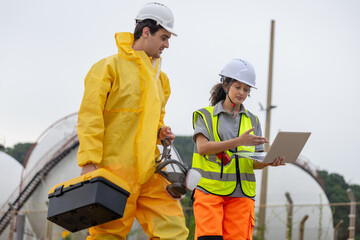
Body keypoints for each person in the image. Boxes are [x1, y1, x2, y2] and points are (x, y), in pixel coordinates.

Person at [76, 2, 189, 239]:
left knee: (173, 230)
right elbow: (90, 117)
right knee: (108, 235)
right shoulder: (108, 68)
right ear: (146, 32)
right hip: (114, 174)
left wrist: (160, 130)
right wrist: (89, 162)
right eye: (164, 37)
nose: (167, 44)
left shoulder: (161, 80)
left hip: (150, 173)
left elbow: (154, 118)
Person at [191, 58, 285, 240]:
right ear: (226, 85)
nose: (242, 93)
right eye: (238, 87)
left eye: (246, 89)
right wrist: (237, 141)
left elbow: (254, 163)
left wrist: (268, 163)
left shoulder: (253, 120)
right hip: (209, 193)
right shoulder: (205, 115)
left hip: (241, 195)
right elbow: (202, 148)